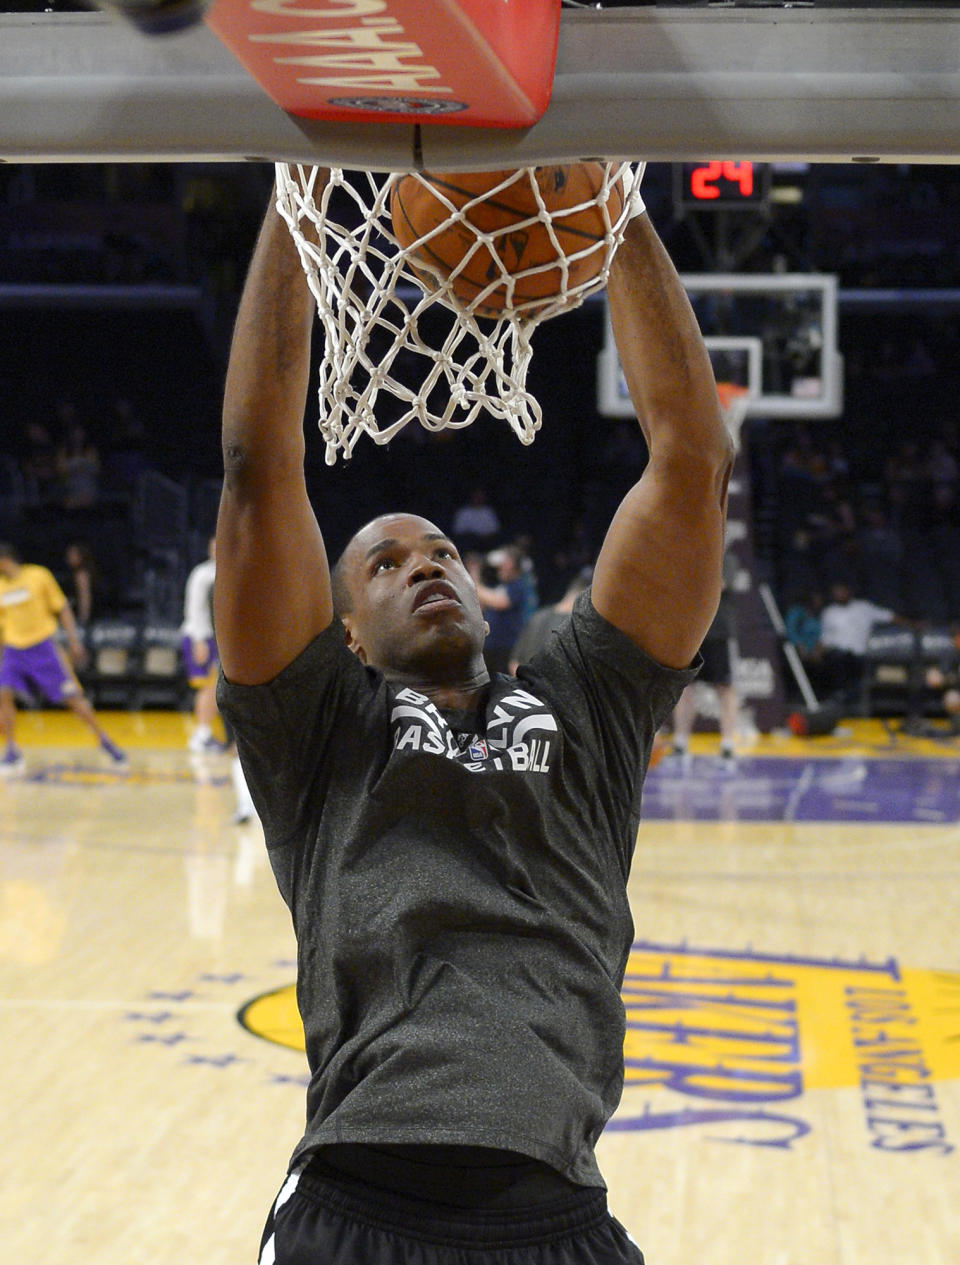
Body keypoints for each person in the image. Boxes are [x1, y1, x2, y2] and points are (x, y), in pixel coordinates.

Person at [214, 170, 733, 1265]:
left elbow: (692, 460)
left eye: (442, 551)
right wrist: (299, 190)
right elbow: (261, 467)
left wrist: (614, 202)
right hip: (362, 1202)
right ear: (343, 626)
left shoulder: (581, 697)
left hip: (562, 1210)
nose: (427, 566)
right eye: (387, 562)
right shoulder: (319, 728)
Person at [0, 542, 127, 772]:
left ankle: (106, 741)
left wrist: (74, 641)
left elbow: (62, 609)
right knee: (3, 694)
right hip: (13, 650)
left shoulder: (38, 575)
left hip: (43, 648)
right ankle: (11, 749)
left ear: (6, 560)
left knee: (72, 699)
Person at [180, 534, 255, 823]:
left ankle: (250, 805)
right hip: (208, 639)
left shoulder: (237, 572)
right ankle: (201, 734)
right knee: (209, 688)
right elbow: (196, 610)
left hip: (232, 649)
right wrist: (200, 638)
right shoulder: (204, 575)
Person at [670, 546, 741, 766]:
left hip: (719, 633)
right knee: (686, 687)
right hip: (692, 632)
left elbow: (719, 584)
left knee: (725, 687)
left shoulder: (727, 558)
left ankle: (728, 743)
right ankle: (680, 741)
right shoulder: (687, 555)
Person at [508, 567, 593, 675]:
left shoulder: (538, 616)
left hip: (524, 687)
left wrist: (527, 686)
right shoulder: (578, 627)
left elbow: (514, 662)